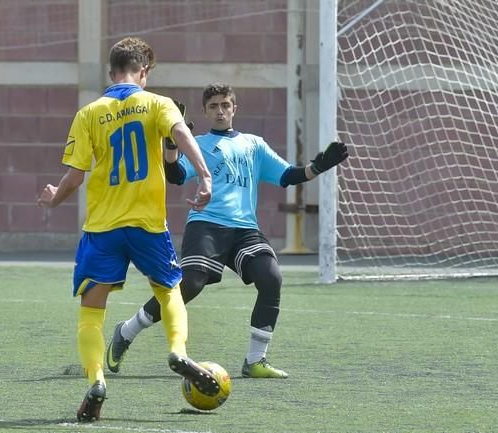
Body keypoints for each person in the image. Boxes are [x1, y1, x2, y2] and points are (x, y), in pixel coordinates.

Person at [105, 83, 348, 379]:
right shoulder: (200, 143)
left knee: (271, 278)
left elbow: (288, 176)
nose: (220, 111)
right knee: (191, 284)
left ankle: (255, 361)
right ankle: (127, 330)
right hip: (206, 224)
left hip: (245, 229)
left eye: (225, 105)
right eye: (213, 106)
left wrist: (319, 165)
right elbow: (176, 175)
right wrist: (171, 146)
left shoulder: (254, 144)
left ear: (234, 108)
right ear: (205, 111)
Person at [37, 37, 218, 423]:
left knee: (91, 312)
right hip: (147, 225)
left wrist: (53, 199)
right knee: (169, 290)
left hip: (102, 228)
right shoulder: (157, 103)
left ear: (110, 71)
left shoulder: (89, 113)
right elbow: (182, 135)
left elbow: (74, 177)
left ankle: (98, 381)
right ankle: (177, 350)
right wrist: (203, 175)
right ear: (144, 71)